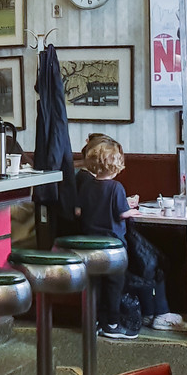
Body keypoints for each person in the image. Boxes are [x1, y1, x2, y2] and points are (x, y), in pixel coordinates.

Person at [75, 138, 138, 340]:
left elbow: (78, 211)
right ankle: (112, 324)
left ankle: (92, 323)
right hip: (113, 248)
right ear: (116, 165)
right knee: (114, 285)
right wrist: (133, 211)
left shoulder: (86, 186)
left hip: (89, 246)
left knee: (94, 285)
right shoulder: (116, 188)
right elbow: (121, 214)